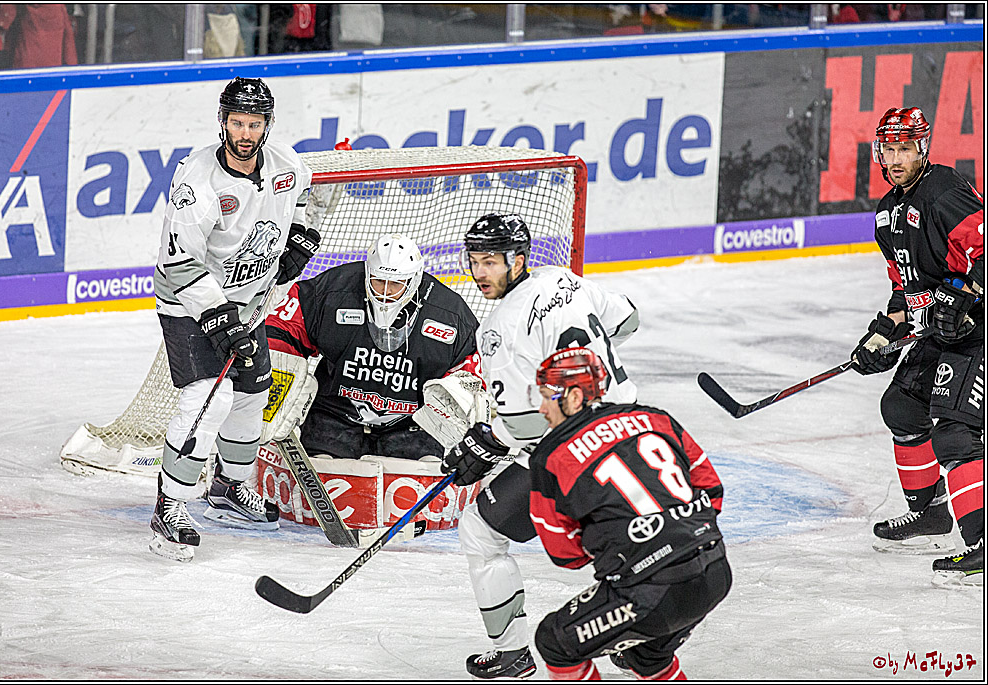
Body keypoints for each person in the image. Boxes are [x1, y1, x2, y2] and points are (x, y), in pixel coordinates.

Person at [441, 213, 641, 679]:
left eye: (490, 261)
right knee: (628, 538)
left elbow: (526, 427)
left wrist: (486, 442)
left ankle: (511, 651)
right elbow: (629, 319)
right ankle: (638, 635)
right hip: (633, 432)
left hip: (576, 451)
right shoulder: (563, 278)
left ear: (519, 259)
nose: (479, 272)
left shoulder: (497, 330)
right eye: (473, 261)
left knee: (479, 530)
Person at [150, 76, 320, 562]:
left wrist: (299, 244)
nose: (245, 132)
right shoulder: (197, 183)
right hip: (189, 304)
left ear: (267, 124)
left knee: (252, 395)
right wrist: (221, 320)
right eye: (237, 122)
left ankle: (227, 486)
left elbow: (305, 202)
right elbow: (178, 265)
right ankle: (170, 505)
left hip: (248, 301)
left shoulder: (287, 164)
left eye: (255, 123)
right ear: (222, 121)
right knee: (208, 398)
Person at [526, 347, 729, 680]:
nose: (542, 408)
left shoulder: (550, 457)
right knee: (647, 657)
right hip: (716, 572)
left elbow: (564, 553)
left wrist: (622, 542)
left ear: (575, 397)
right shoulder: (656, 418)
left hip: (651, 591)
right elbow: (712, 490)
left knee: (555, 641)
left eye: (549, 397)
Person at [852, 106, 983, 587]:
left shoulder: (944, 193)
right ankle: (931, 512)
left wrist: (967, 300)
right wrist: (883, 334)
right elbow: (907, 293)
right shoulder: (887, 216)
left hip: (979, 328)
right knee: (902, 408)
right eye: (889, 149)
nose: (896, 158)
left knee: (955, 432)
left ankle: (982, 541)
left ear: (922, 149)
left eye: (904, 148)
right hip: (943, 331)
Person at [263, 232, 484, 461]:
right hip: (335, 411)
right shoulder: (332, 289)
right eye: (378, 281)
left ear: (414, 279)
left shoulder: (450, 313)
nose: (385, 292)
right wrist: (279, 383)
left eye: (396, 284)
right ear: (367, 273)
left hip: (411, 421)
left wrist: (458, 398)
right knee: (324, 465)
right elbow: (282, 330)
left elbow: (471, 371)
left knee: (421, 475)